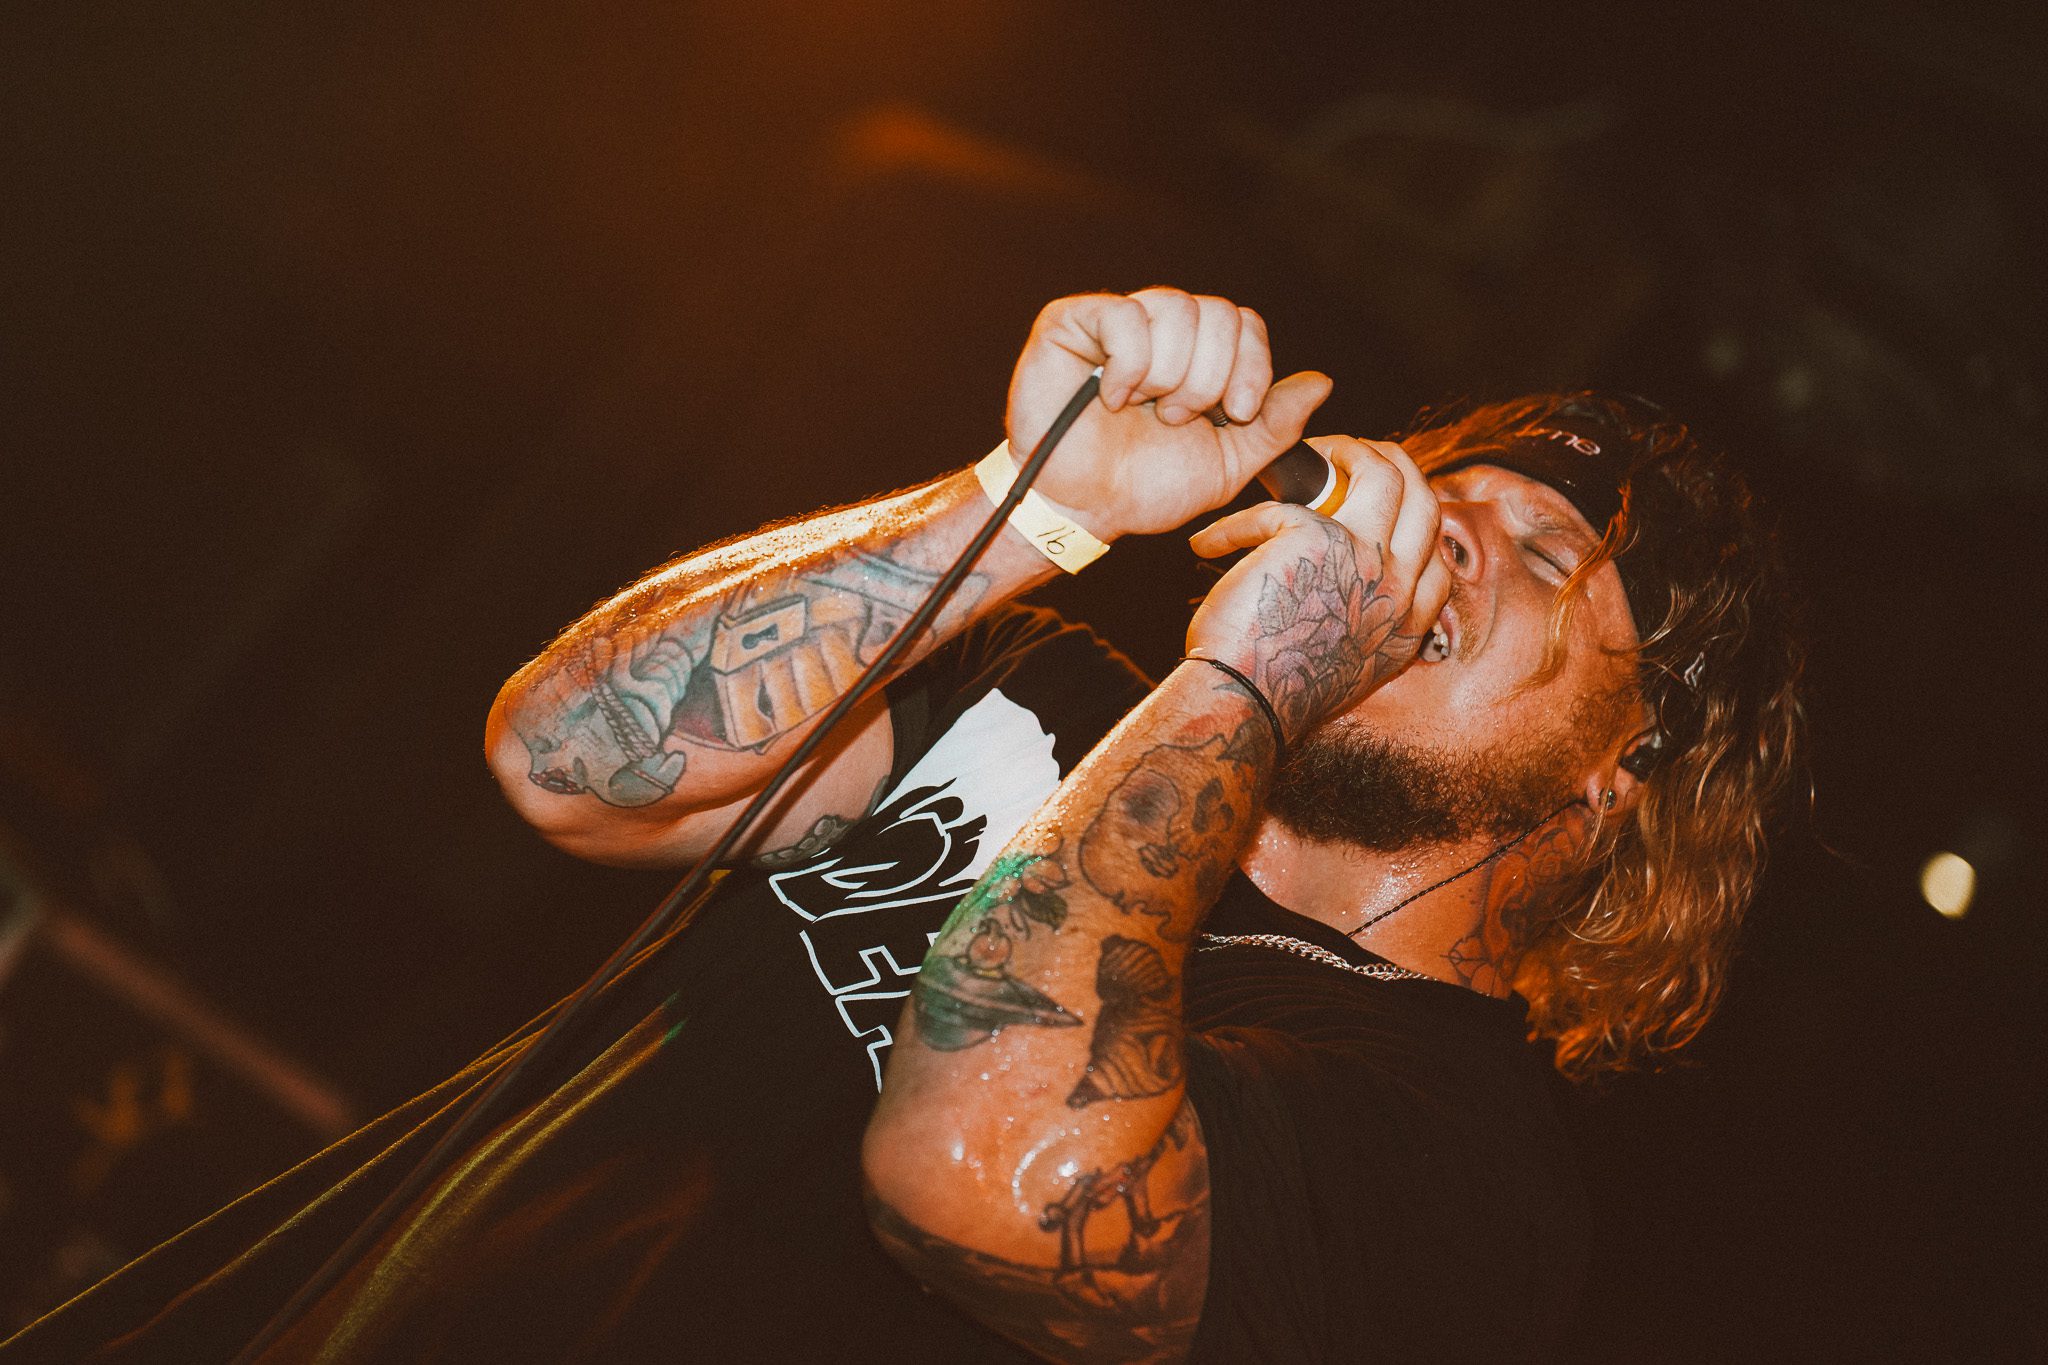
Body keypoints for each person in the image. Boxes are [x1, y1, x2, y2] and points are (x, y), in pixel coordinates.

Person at [4, 289, 1802, 1363]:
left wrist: (1247, 687)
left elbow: (977, 1176)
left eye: (1549, 560)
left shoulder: (1463, 1166)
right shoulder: (1048, 706)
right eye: (1449, 504)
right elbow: (566, 759)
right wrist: (1031, 502)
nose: (1458, 544)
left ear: (1625, 780)